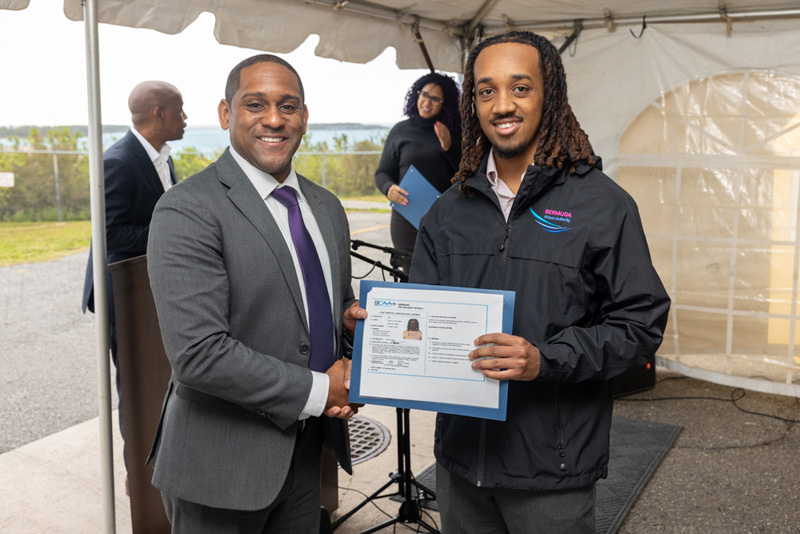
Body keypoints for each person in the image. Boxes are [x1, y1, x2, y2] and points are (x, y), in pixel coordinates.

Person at [409, 31, 671, 534]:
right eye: (486, 91)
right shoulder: (447, 212)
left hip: (553, 472)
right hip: (460, 465)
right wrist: (376, 332)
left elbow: (640, 325)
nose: (502, 104)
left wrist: (543, 360)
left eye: (520, 87)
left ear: (549, 95)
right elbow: (421, 317)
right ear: (473, 104)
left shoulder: (602, 205)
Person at [146, 54, 365, 533]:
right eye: (255, 104)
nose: (273, 119)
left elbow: (326, 318)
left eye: (288, 106)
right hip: (220, 467)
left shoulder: (326, 208)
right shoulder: (185, 210)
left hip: (306, 454)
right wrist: (321, 388)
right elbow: (199, 354)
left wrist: (350, 335)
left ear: (304, 117)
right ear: (226, 115)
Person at [80, 80, 187, 480]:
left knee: (162, 383)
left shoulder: (164, 157)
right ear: (159, 114)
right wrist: (172, 235)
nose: (186, 119)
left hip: (151, 291)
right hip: (122, 296)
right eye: (180, 110)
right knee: (136, 388)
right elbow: (108, 233)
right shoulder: (119, 161)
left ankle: (166, 467)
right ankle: (138, 479)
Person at [374, 72, 462, 274]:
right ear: (417, 95)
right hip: (406, 215)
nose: (427, 102)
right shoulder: (400, 130)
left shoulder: (455, 132)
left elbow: (465, 174)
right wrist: (389, 188)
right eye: (424, 95)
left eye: (435, 99)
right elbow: (383, 172)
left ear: (445, 103)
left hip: (445, 217)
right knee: (411, 274)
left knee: (444, 274)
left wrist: (449, 146)